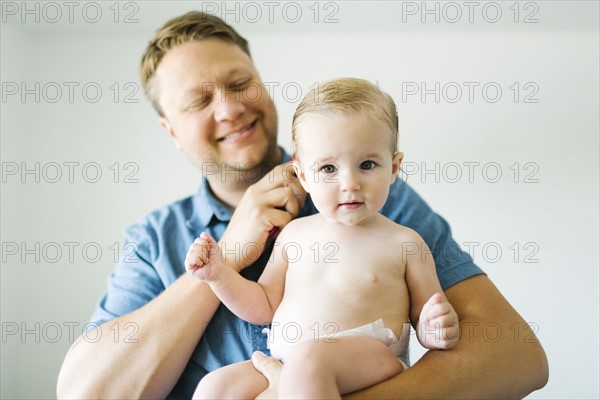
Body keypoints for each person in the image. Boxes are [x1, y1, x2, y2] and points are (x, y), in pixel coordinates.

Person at [56, 11, 548, 400]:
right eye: (198, 101)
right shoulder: (154, 241)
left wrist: (308, 392)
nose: (228, 108)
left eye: (238, 82)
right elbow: (86, 394)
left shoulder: (373, 199)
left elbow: (515, 355)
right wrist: (226, 255)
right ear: (171, 131)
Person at [185, 77, 460, 399]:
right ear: (302, 175)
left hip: (370, 358)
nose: (349, 183)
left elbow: (426, 316)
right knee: (215, 388)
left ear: (394, 167)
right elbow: (265, 305)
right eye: (328, 169)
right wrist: (219, 276)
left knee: (310, 359)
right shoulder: (293, 235)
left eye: (367, 165)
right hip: (286, 361)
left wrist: (436, 327)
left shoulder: (405, 243)